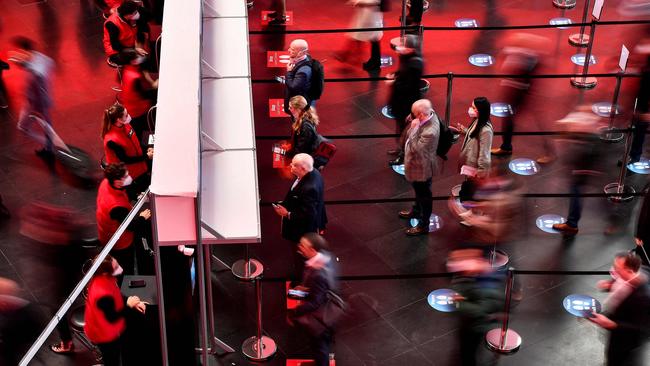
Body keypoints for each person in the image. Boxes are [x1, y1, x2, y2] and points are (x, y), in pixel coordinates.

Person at [490, 33, 548, 157]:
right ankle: (506, 147)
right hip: (516, 93)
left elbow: (523, 78)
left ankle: (549, 150)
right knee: (511, 119)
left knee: (526, 120)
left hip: (519, 94)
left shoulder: (528, 58)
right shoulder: (519, 54)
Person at [84, 255, 147, 366]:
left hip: (103, 326)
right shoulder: (102, 295)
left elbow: (115, 293)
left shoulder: (103, 277)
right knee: (112, 359)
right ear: (105, 273)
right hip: (104, 335)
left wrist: (130, 301)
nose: (120, 268)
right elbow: (112, 317)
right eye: (116, 267)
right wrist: (128, 305)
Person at [588, 252, 650, 366]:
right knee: (611, 355)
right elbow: (620, 280)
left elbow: (642, 329)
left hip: (627, 342)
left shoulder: (644, 299)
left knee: (619, 359)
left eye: (617, 268)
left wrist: (612, 324)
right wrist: (610, 284)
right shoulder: (637, 271)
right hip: (615, 332)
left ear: (629, 271)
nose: (613, 270)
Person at [273, 154, 327, 279]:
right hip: (310, 221)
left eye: (294, 165)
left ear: (303, 169)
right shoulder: (314, 173)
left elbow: (308, 215)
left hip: (302, 230)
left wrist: (287, 213)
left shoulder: (309, 188)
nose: (290, 166)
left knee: (300, 257)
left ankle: (301, 279)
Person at [551, 107, 603, 236]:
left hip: (581, 165)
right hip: (583, 164)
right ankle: (572, 223)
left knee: (576, 191)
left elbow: (562, 126)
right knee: (577, 190)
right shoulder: (593, 126)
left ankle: (572, 224)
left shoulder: (582, 127)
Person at [288, 233, 338, 366]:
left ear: (313, 250)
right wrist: (306, 290)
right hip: (326, 316)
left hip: (321, 321)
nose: (299, 247)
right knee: (321, 348)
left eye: (303, 245)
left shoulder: (319, 273)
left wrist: (295, 312)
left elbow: (315, 302)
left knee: (320, 349)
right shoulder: (326, 259)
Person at [96, 163, 152, 275]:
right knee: (126, 267)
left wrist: (136, 196)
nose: (129, 177)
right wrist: (142, 217)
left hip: (105, 231)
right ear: (117, 182)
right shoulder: (116, 206)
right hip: (120, 242)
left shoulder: (106, 183)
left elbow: (123, 192)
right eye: (125, 177)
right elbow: (130, 226)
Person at [9, 37, 56, 159]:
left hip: (35, 103)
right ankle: (49, 146)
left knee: (23, 127)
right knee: (47, 125)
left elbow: (30, 68)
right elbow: (47, 62)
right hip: (43, 100)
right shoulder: (41, 58)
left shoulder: (35, 70)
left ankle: (49, 145)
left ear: (26, 51)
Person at [398, 99, 440, 236]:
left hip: (422, 167)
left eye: (415, 114)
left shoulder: (430, 132)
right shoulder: (430, 113)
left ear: (421, 114)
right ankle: (416, 211)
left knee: (424, 194)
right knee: (418, 190)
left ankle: (424, 225)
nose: (413, 117)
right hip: (417, 165)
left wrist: (414, 129)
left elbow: (417, 149)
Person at [387, 34, 424, 165]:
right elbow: (402, 74)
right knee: (401, 128)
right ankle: (400, 150)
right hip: (401, 101)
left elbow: (409, 86)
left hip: (407, 103)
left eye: (404, 46)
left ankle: (404, 155)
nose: (400, 47)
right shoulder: (407, 58)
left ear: (411, 49)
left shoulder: (415, 64)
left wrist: (393, 82)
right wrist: (396, 76)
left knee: (406, 131)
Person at [102, 103, 153, 196]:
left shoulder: (126, 125)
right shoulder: (112, 140)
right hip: (131, 172)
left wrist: (146, 149)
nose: (129, 116)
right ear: (118, 119)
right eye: (126, 115)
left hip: (140, 163)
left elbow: (135, 141)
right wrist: (146, 156)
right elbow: (126, 159)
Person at [117, 48, 158, 140]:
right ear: (132, 61)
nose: (139, 58)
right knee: (148, 131)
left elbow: (145, 61)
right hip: (139, 111)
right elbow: (144, 95)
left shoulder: (125, 69)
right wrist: (155, 85)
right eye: (137, 56)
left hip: (130, 108)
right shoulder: (135, 78)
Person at [334, 0, 385, 71]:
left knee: (370, 37)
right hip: (369, 14)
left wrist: (359, 2)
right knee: (367, 36)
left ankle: (373, 61)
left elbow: (375, 1)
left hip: (371, 15)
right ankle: (372, 61)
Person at [456, 97, 493, 178]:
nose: (470, 109)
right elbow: (475, 136)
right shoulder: (477, 120)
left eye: (473, 108)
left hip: (475, 172)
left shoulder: (486, 131)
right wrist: (465, 131)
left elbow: (484, 155)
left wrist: (481, 174)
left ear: (480, 110)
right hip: (470, 166)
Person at [103, 0, 149, 66]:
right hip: (115, 50)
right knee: (143, 58)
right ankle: (114, 60)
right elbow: (115, 46)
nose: (137, 14)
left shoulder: (127, 14)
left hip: (128, 43)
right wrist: (135, 50)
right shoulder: (112, 24)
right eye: (135, 12)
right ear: (128, 15)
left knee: (145, 55)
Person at [286, 95, 324, 168]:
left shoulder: (305, 126)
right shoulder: (303, 122)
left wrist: (287, 154)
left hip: (304, 165)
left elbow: (302, 150)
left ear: (298, 109)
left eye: (291, 107)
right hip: (303, 164)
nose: (288, 109)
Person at [282, 39, 313, 115]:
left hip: (297, 107)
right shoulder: (305, 57)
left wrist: (289, 72)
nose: (289, 50)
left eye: (292, 50)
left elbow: (293, 87)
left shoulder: (303, 72)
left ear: (301, 53)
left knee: (297, 123)